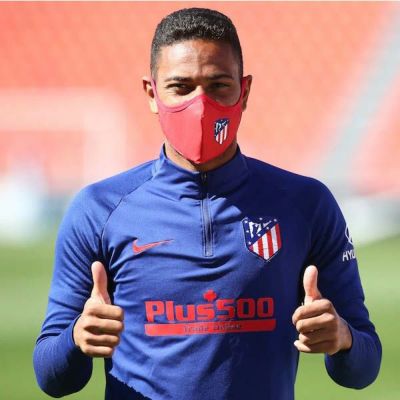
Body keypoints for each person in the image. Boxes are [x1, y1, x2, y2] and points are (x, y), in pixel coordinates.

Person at [33, 7, 382, 400]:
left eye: (218, 86)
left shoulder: (306, 203)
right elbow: (51, 377)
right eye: (180, 87)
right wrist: (76, 340)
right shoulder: (97, 209)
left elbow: (364, 367)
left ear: (244, 92)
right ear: (152, 94)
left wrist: (342, 339)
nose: (200, 105)